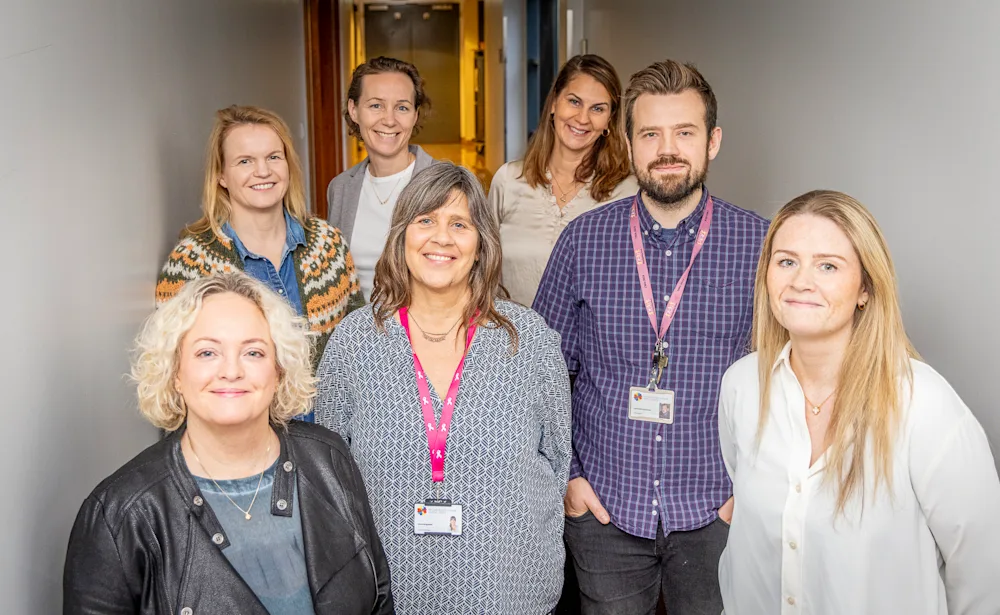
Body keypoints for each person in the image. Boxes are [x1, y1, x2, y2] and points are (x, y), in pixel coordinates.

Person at [533, 60, 769, 615]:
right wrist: (569, 479)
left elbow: (785, 378)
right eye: (650, 134)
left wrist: (755, 489)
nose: (668, 149)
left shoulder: (760, 245)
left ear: (712, 142)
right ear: (629, 143)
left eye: (684, 132)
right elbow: (540, 375)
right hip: (606, 511)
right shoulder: (584, 240)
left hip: (718, 509)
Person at [718, 190, 1000, 615]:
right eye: (787, 261)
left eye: (827, 265)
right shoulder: (741, 386)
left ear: (865, 288)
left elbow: (984, 576)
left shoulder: (924, 405)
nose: (800, 281)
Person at [316, 162, 572, 614]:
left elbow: (557, 462)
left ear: (481, 244)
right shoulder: (355, 342)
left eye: (459, 224)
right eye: (426, 220)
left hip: (508, 592)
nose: (442, 237)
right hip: (389, 593)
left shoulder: (529, 341)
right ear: (402, 236)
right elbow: (331, 477)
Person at [64, 273, 393, 615]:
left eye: (253, 352)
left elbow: (379, 598)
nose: (231, 371)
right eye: (207, 352)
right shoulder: (121, 514)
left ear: (278, 370)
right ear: (176, 372)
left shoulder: (328, 459)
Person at [156, 105, 364, 402]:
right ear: (221, 176)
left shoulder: (327, 245)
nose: (263, 171)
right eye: (245, 161)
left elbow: (359, 344)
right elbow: (170, 372)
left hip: (325, 437)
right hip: (236, 439)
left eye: (273, 157)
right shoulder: (191, 262)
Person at [489, 54, 637, 306]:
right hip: (512, 340)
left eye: (598, 109)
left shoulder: (628, 192)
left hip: (589, 344)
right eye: (574, 101)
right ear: (554, 103)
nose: (582, 118)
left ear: (609, 121)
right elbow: (481, 268)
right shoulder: (508, 180)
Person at [327, 56, 438, 300]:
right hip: (357, 331)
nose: (389, 120)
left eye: (402, 107)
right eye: (376, 105)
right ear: (354, 110)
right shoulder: (341, 188)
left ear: (415, 115)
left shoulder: (445, 185)